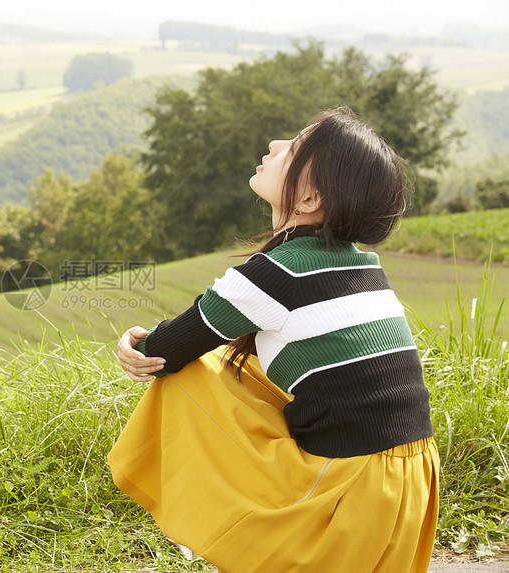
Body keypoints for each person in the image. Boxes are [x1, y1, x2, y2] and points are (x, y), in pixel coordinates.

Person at [109, 106, 439, 572]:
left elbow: (165, 352)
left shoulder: (274, 273)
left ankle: (221, 520)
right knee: (231, 364)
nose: (275, 146)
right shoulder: (363, 267)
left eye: (295, 147)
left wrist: (135, 346)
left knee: (192, 375)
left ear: (309, 199)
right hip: (412, 484)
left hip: (352, 489)